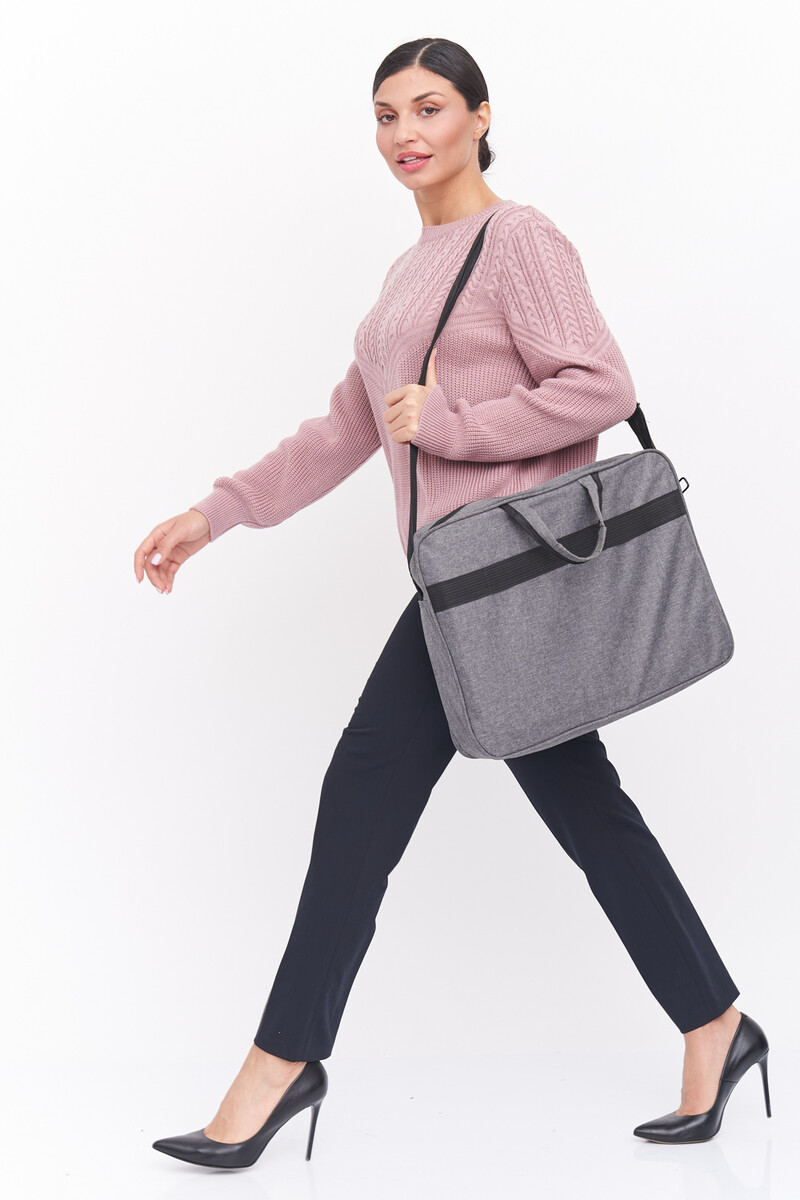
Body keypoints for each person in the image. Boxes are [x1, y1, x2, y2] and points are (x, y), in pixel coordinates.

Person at [134, 37, 770, 1171]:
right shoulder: (408, 274)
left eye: (428, 108)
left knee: (364, 792)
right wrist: (215, 512)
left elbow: (601, 384)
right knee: (581, 803)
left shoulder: (517, 239)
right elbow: (348, 427)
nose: (404, 134)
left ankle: (280, 1065)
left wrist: (456, 428)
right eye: (385, 116)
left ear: (480, 116)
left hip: (507, 578)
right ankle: (715, 1022)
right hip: (466, 587)